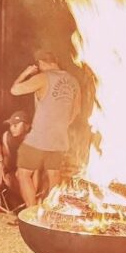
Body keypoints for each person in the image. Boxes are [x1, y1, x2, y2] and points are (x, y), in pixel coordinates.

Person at [9, 50, 80, 207]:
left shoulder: (43, 77)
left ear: (41, 62)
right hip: (60, 138)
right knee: (54, 175)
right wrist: (60, 126)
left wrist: (26, 73)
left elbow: (14, 90)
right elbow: (76, 110)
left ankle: (32, 213)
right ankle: (52, 213)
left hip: (39, 138)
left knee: (23, 173)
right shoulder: (73, 81)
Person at [1, 109, 31, 206]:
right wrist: (2, 169)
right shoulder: (6, 137)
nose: (12, 128)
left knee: (21, 175)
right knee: (7, 176)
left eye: (16, 125)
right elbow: (7, 159)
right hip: (15, 170)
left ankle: (31, 202)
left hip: (31, 172)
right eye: (10, 125)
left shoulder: (32, 139)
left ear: (27, 126)